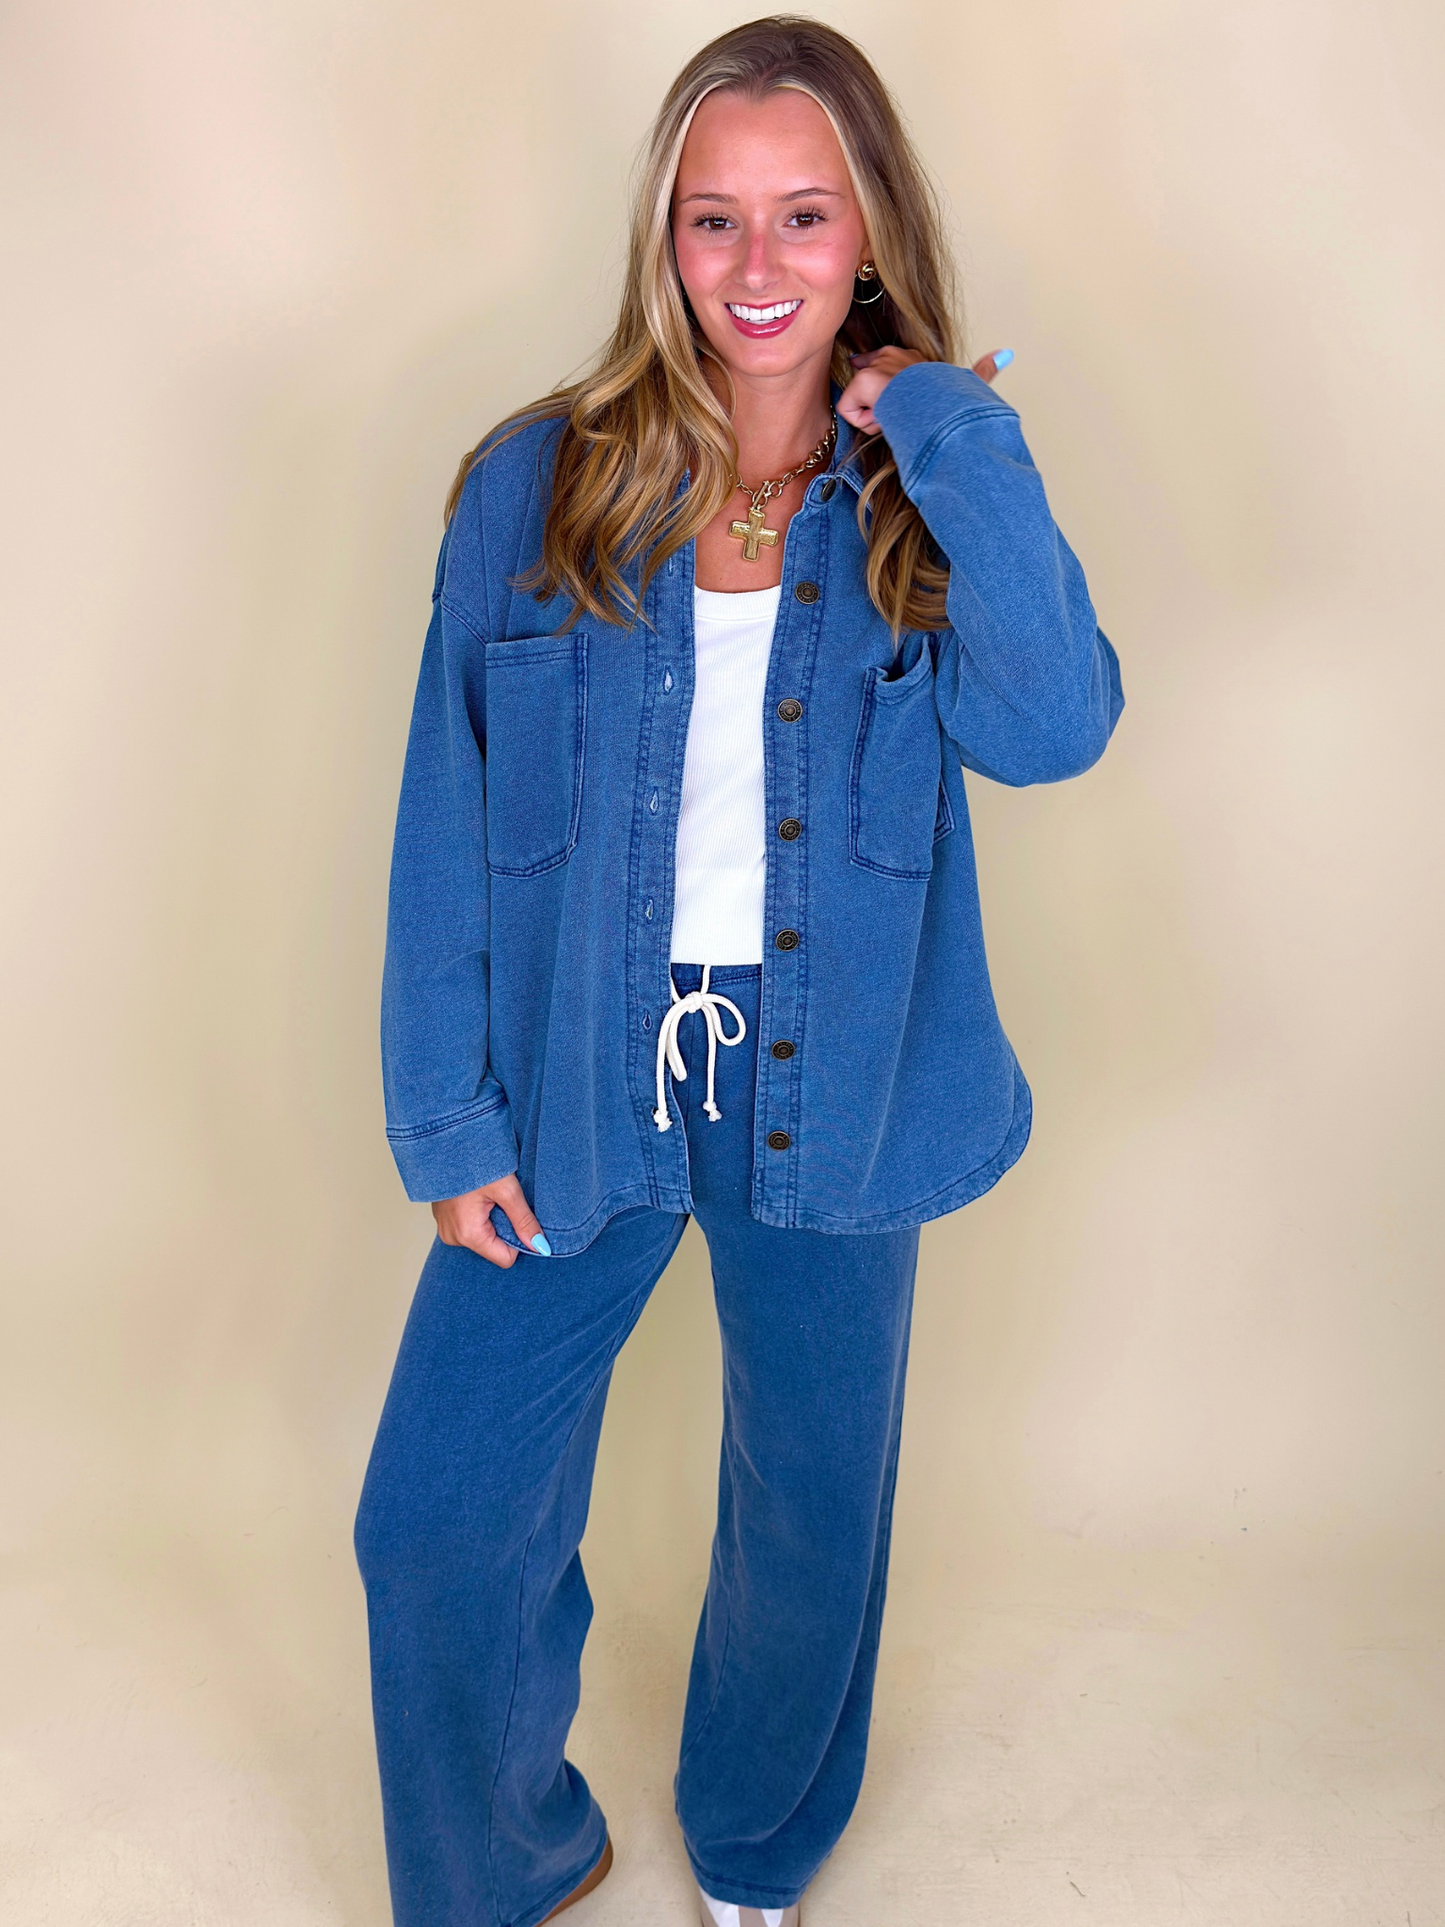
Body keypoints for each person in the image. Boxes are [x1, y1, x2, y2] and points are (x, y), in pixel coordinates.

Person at [354, 16, 1123, 1927]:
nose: (756, 264)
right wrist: (447, 1113)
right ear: (664, 237)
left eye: (804, 215)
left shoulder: (921, 501)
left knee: (809, 1511)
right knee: (437, 1516)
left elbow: (1053, 726)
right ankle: (500, 1864)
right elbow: (443, 807)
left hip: (844, 1078)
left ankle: (757, 1849)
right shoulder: (534, 487)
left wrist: (955, 430)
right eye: (715, 218)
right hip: (574, 1069)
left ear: (872, 237)